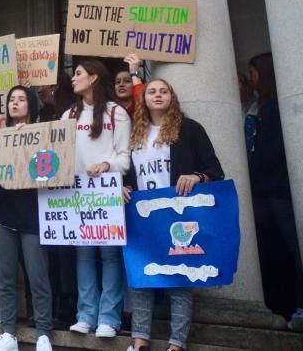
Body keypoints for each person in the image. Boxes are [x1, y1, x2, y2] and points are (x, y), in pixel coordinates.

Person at [123, 78, 224, 351]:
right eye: (152, 92)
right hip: (142, 216)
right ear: (143, 99)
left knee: (180, 277)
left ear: (172, 97)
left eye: (163, 91)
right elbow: (125, 172)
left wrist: (196, 176)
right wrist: (122, 186)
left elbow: (215, 170)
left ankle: (176, 344)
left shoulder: (190, 130)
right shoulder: (134, 133)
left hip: (178, 215)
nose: (157, 95)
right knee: (141, 276)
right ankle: (139, 342)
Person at [63, 59, 131, 338]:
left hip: (106, 193)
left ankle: (109, 318)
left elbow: (125, 158)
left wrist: (106, 165)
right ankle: (85, 315)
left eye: (78, 74)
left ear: (93, 78)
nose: (73, 78)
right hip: (77, 195)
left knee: (111, 256)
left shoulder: (117, 113)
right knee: (84, 257)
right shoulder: (67, 115)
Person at [0, 86, 54, 351]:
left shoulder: (45, 134)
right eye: (11, 100)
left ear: (31, 105)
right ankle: (8, 334)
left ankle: (43, 333)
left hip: (32, 212)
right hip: (2, 212)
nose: (15, 104)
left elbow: (52, 167)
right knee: (5, 277)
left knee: (37, 276)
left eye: (21, 99)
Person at [248, 52, 303, 327]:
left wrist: (251, 169)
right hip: (268, 190)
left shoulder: (273, 108)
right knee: (270, 247)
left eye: (254, 72)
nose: (251, 79)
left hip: (277, 188)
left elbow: (272, 149)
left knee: (292, 246)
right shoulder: (263, 105)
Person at [114, 54, 144, 119]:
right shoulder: (110, 109)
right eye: (117, 82)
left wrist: (134, 73)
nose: (121, 85)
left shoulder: (141, 107)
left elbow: (141, 100)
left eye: (127, 81)